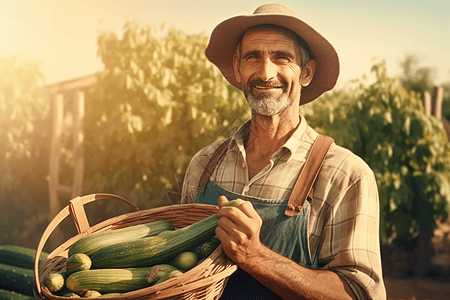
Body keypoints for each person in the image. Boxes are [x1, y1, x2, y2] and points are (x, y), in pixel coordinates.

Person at [181, 3, 386, 299]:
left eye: (282, 58)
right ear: (238, 68)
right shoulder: (204, 164)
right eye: (253, 57)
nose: (266, 73)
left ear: (306, 72)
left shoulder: (345, 175)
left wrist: (255, 256)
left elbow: (360, 294)